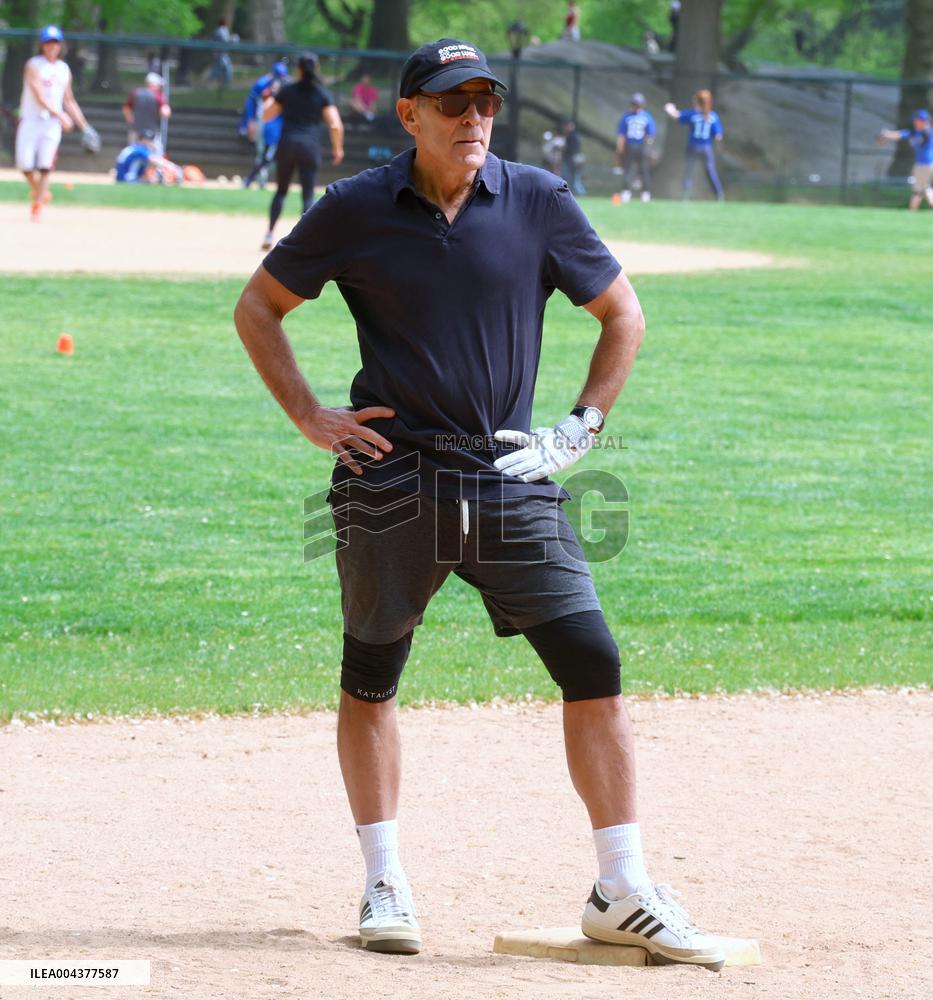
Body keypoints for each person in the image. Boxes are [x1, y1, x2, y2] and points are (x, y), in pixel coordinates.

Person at [234, 36, 726, 970]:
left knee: (592, 659)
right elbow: (258, 306)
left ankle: (620, 890)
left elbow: (622, 313)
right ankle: (385, 880)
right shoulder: (354, 207)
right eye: (452, 102)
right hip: (391, 478)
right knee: (372, 673)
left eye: (485, 101)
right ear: (409, 114)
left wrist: (579, 430)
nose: (473, 117)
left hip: (509, 477)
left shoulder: (538, 199)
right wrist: (307, 414)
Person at [259, 52, 344, 251]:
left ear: (298, 70)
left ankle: (269, 234)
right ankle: (306, 240)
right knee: (308, 195)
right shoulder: (322, 93)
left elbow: (266, 115)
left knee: (281, 191)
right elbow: (335, 125)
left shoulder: (287, 91)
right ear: (317, 69)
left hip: (287, 144)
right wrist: (337, 149)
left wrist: (270, 95)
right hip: (309, 146)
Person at [16, 25, 93, 222]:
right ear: (42, 45)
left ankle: (37, 206)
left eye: (55, 42)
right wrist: (61, 115)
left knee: (45, 166)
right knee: (24, 164)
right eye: (48, 42)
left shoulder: (63, 69)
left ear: (60, 45)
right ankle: (39, 191)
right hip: (31, 119)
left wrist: (85, 126)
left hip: (51, 125)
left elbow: (69, 100)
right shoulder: (34, 64)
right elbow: (39, 96)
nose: (52, 46)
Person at [664, 90, 724, 200]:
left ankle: (685, 194)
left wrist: (670, 108)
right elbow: (718, 135)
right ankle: (719, 194)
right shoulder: (713, 116)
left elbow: (676, 116)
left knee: (689, 170)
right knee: (710, 171)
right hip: (706, 148)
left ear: (697, 102)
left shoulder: (693, 115)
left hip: (693, 147)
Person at [877, 109, 932, 211]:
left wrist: (887, 134)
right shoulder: (918, 132)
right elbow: (902, 134)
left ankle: (911, 213)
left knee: (918, 191)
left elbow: (919, 138)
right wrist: (887, 134)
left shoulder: (926, 132)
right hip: (924, 165)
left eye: (917, 120)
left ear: (923, 121)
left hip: (924, 165)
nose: (914, 122)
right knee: (925, 189)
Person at [615, 92, 656, 203]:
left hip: (640, 146)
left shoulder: (634, 117)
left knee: (643, 170)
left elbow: (650, 135)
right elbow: (622, 135)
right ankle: (627, 192)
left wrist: (648, 145)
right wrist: (620, 147)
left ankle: (645, 193)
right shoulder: (633, 116)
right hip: (632, 145)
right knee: (629, 169)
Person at [239, 61, 288, 141]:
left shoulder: (286, 85)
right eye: (278, 76)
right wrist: (251, 120)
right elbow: (251, 102)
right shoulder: (262, 83)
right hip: (260, 116)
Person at [123, 72, 171, 152]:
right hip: (151, 132)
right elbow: (165, 112)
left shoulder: (136, 93)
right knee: (155, 153)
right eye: (159, 85)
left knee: (133, 152)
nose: (160, 87)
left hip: (135, 130)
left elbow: (126, 109)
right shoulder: (158, 95)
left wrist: (131, 121)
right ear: (153, 84)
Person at [114, 129, 181, 183]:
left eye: (151, 140)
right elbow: (155, 160)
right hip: (128, 180)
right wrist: (174, 168)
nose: (150, 142)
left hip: (124, 178)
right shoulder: (139, 149)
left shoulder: (133, 148)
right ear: (141, 140)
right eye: (147, 139)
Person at [558, 116, 585, 195]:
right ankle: (576, 194)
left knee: (573, 180)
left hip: (571, 161)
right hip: (570, 161)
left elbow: (573, 150)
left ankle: (581, 194)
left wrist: (564, 149)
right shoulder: (571, 135)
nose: (564, 128)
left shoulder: (572, 136)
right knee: (573, 179)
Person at [207, 18, 236, 90]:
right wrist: (233, 38)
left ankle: (221, 84)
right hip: (220, 54)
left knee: (220, 69)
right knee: (226, 69)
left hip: (222, 54)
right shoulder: (220, 30)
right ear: (224, 23)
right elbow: (225, 40)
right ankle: (223, 85)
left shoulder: (220, 30)